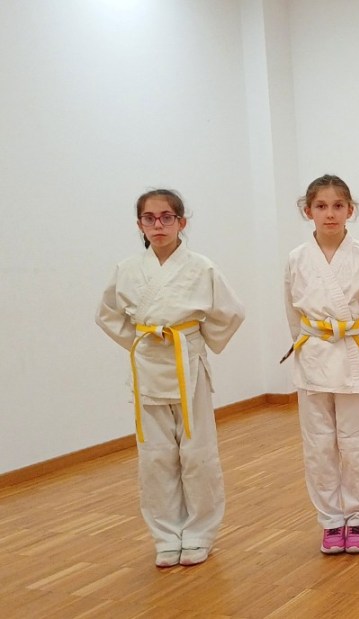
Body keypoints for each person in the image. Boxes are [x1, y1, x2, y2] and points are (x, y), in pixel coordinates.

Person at [96, 189, 245, 568]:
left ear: (182, 222)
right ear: (139, 225)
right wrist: (140, 341)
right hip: (148, 364)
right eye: (149, 218)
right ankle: (165, 536)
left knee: (197, 453)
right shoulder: (127, 269)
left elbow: (230, 313)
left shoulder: (201, 268)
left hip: (187, 362)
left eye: (166, 217)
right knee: (155, 456)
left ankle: (199, 533)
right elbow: (107, 313)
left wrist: (197, 340)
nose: (158, 225)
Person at [283, 174, 359, 555]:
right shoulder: (297, 259)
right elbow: (292, 313)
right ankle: (331, 520)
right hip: (313, 355)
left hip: (354, 354)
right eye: (321, 206)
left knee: (358, 443)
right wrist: (305, 346)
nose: (330, 214)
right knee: (318, 444)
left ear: (351, 210)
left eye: (338, 206)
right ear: (308, 211)